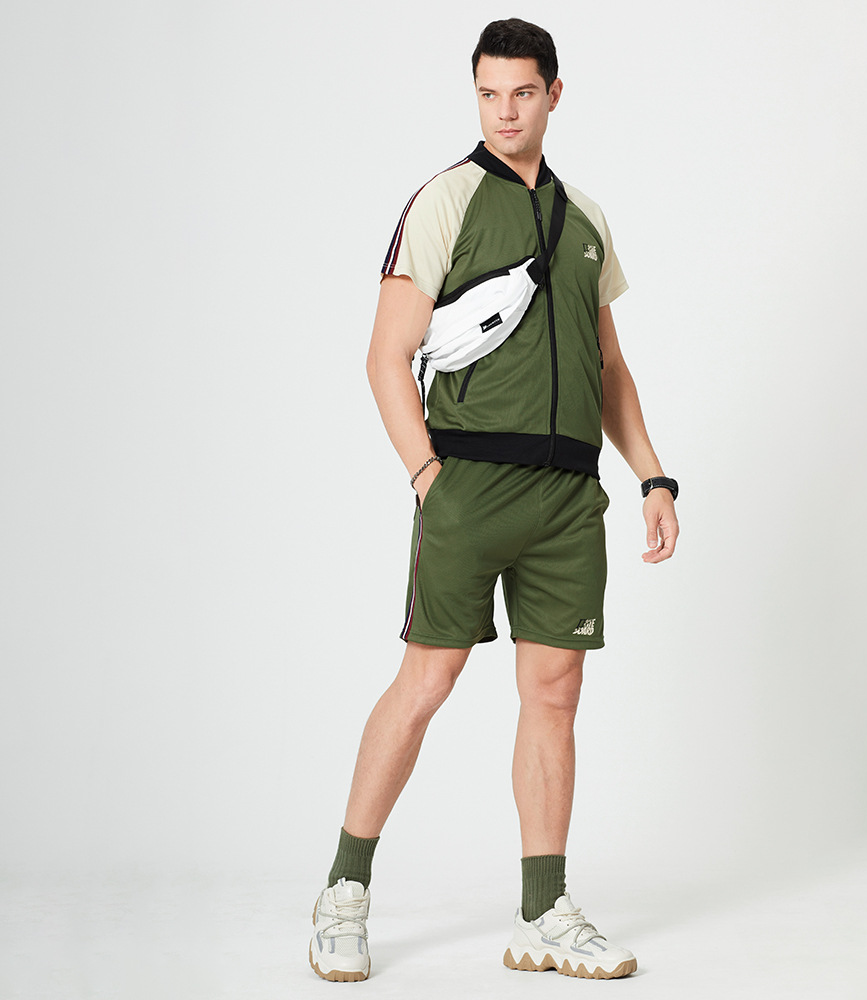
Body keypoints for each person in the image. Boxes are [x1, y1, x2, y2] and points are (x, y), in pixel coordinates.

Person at [309, 18, 679, 983]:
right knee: (426, 683)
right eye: (487, 94)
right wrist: (428, 479)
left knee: (555, 695)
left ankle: (544, 911)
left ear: (554, 94)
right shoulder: (446, 200)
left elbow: (609, 367)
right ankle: (344, 889)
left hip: (569, 499)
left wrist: (651, 475)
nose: (504, 111)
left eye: (521, 93)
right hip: (469, 485)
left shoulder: (586, 219)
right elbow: (386, 355)